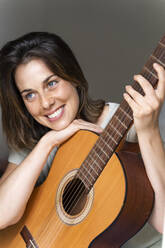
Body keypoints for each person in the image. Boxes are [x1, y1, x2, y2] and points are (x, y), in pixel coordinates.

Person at [0, 31, 164, 247]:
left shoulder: (126, 124)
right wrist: (48, 142)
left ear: (72, 77)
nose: (46, 103)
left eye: (51, 83)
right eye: (30, 95)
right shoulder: (36, 138)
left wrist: (148, 130)